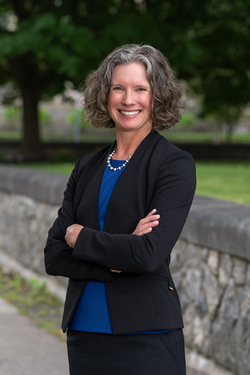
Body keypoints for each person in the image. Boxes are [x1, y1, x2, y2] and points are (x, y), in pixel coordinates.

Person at [44, 44, 196, 375]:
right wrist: (115, 259)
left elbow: (147, 255)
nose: (129, 100)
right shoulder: (87, 167)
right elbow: (54, 255)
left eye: (140, 88)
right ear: (105, 95)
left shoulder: (173, 165)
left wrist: (81, 237)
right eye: (118, 88)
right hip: (84, 335)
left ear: (157, 97)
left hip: (146, 337)